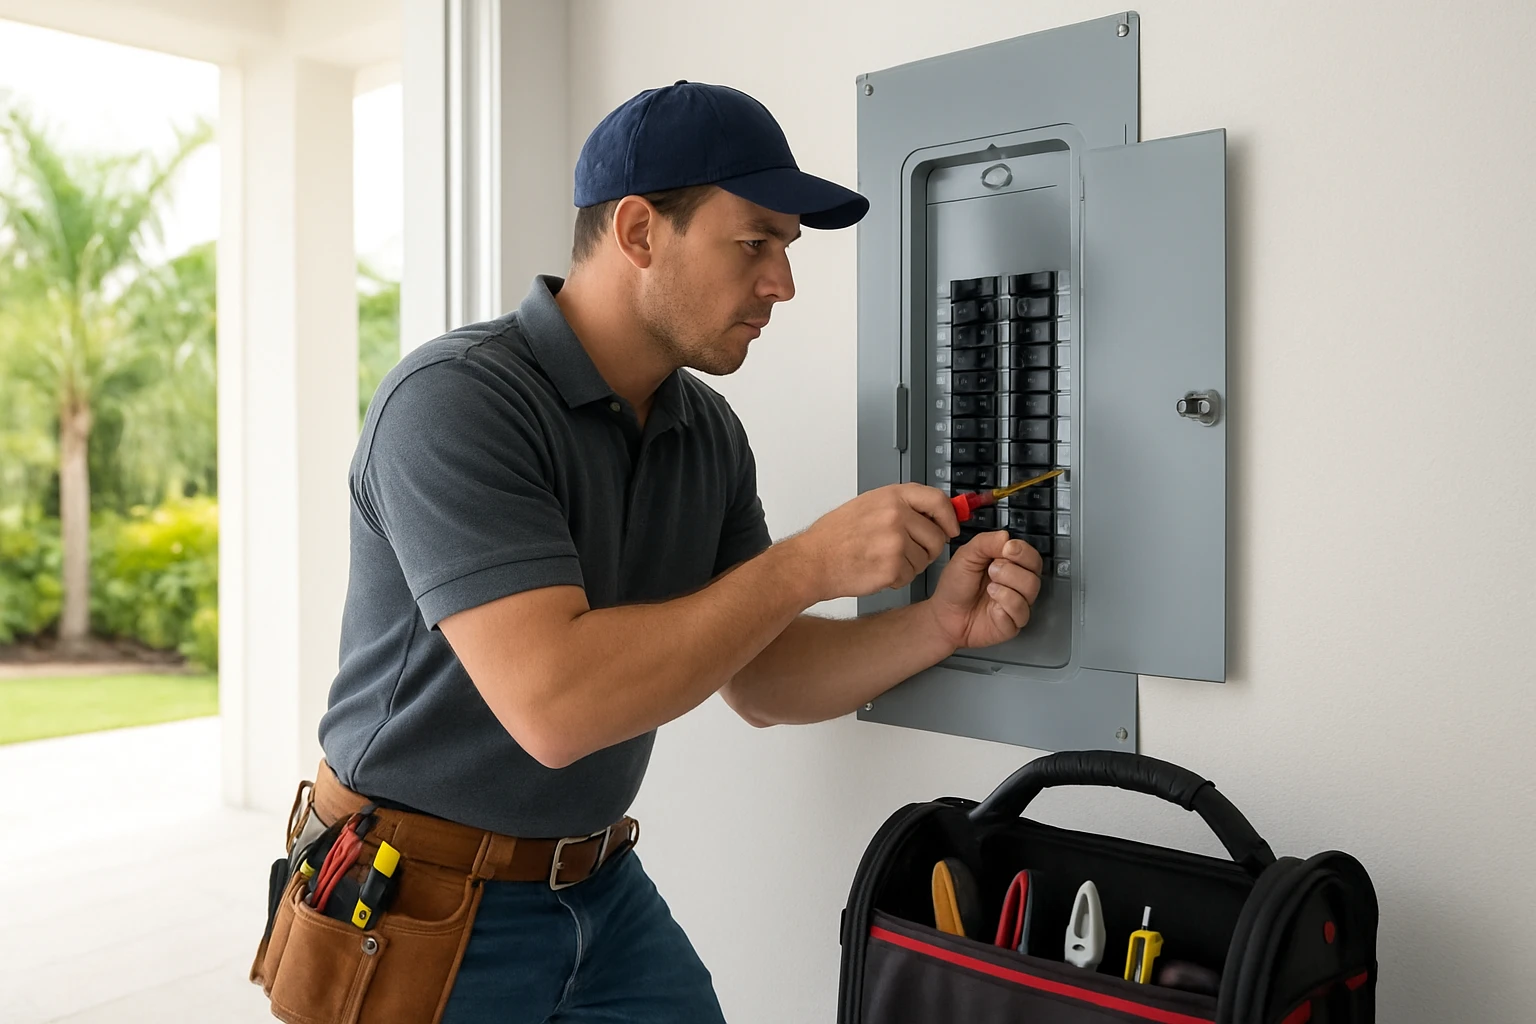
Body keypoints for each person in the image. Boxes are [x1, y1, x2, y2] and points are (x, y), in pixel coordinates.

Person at [316, 81, 1043, 1023]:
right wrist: (807, 563)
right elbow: (557, 705)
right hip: (412, 900)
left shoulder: (705, 431)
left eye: (786, 247)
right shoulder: (454, 404)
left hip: (596, 883)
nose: (783, 282)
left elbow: (765, 677)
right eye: (756, 242)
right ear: (638, 231)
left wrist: (938, 626)